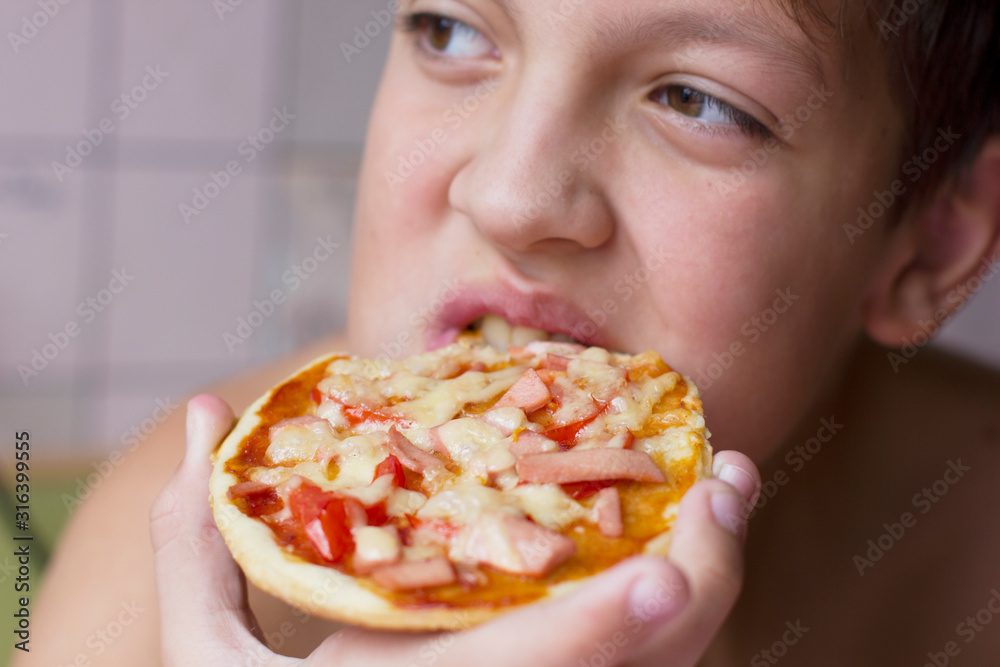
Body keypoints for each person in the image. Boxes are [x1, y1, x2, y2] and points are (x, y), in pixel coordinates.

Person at [22, 0, 1000, 665]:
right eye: (450, 30)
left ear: (930, 244)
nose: (508, 194)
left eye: (697, 101)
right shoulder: (163, 575)